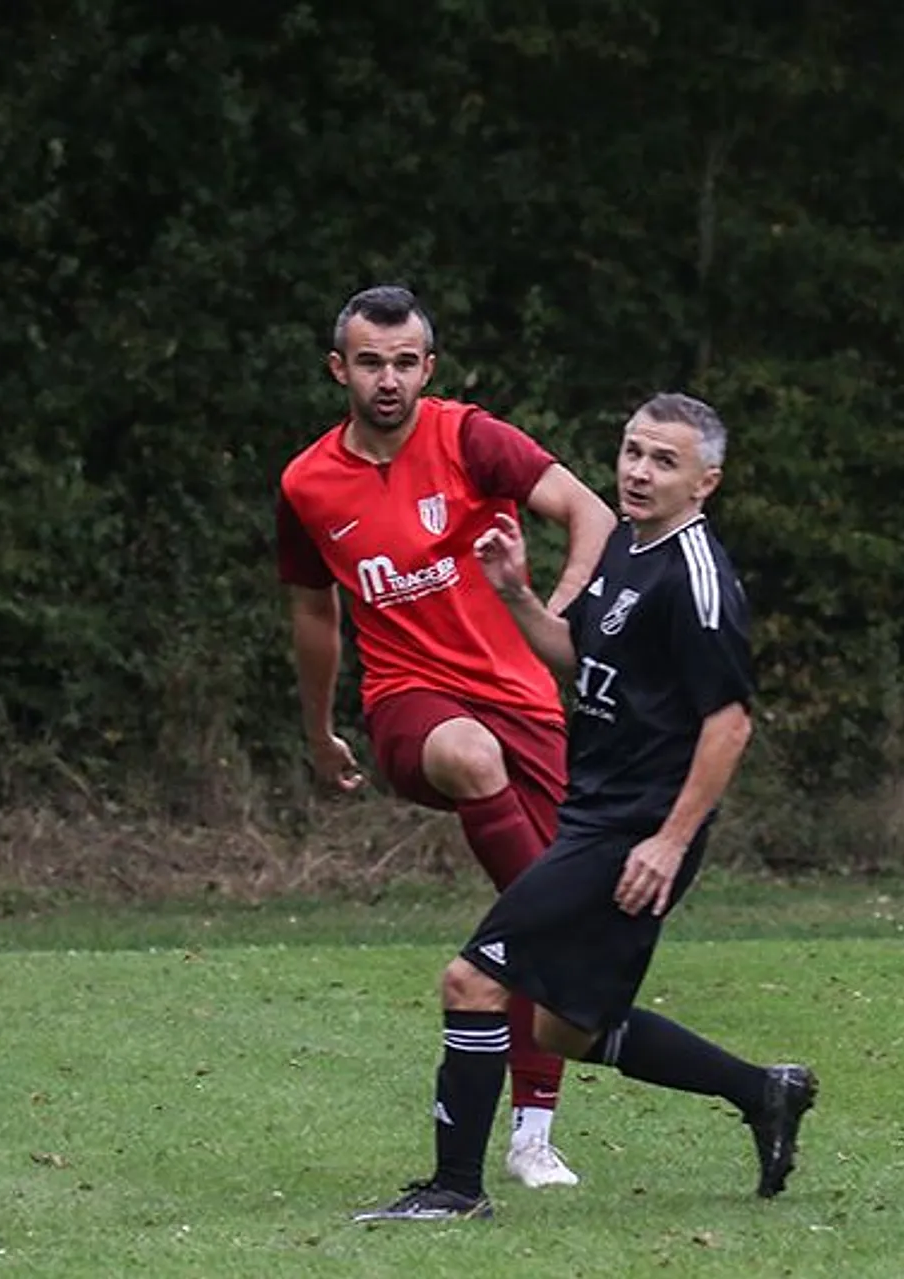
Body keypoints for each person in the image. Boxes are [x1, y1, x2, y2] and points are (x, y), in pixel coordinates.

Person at [352, 392, 816, 1223]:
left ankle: (456, 1190)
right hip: (592, 811)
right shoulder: (627, 549)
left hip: (632, 831)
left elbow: (730, 722)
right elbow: (583, 655)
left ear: (705, 481)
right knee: (567, 1027)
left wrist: (669, 843)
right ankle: (763, 1090)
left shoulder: (696, 578)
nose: (638, 471)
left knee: (473, 979)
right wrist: (518, 597)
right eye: (633, 451)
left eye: (663, 461)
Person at [277, 284, 616, 1188]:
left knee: (530, 929)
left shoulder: (471, 438)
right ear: (337, 369)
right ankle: (552, 936)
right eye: (368, 362)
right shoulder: (307, 483)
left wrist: (557, 619)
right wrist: (319, 734)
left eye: (403, 362)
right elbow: (316, 616)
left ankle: (533, 1134)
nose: (386, 379)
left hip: (525, 703)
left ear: (428, 367)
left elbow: (594, 514)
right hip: (410, 708)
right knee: (478, 771)